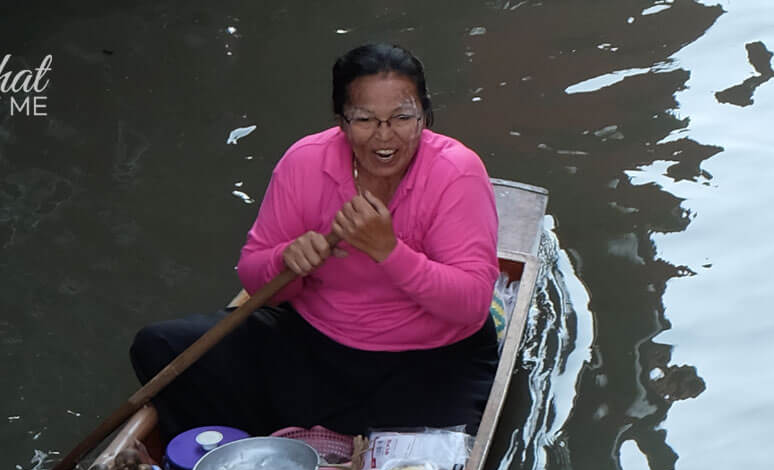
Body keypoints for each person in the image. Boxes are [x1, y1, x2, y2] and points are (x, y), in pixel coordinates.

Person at [130, 43, 499, 442]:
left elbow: (471, 304)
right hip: (316, 345)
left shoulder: (456, 172)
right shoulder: (305, 162)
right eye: (365, 119)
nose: (384, 136)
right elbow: (255, 275)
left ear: (424, 116)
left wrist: (389, 252)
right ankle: (243, 458)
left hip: (428, 359)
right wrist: (286, 262)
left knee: (441, 460)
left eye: (402, 117)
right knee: (162, 346)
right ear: (342, 122)